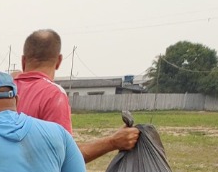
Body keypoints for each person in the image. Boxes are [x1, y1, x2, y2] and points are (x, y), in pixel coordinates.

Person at [15, 29, 139, 162]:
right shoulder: (53, 95)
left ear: (23, 60)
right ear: (59, 61)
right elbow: (65, 158)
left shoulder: (2, 92)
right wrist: (113, 142)